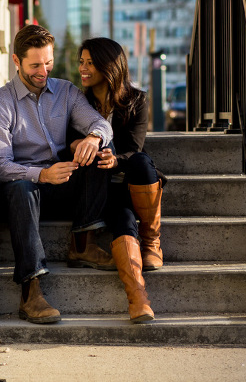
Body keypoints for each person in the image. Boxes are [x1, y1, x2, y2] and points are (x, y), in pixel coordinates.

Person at [0, 24, 115, 324]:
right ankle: (31, 290)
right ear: (16, 61)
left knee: (100, 154)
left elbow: (101, 124)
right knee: (20, 187)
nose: (43, 71)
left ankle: (83, 244)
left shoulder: (66, 92)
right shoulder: (2, 104)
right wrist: (41, 176)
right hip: (19, 192)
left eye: (48, 62)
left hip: (59, 186)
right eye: (34, 65)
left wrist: (93, 139)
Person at [69, 36, 165, 322]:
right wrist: (79, 146)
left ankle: (151, 241)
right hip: (101, 189)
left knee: (141, 161)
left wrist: (114, 160)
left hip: (133, 180)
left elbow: (134, 147)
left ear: (108, 66)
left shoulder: (136, 100)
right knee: (123, 222)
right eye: (81, 62)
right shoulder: (78, 101)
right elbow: (68, 141)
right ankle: (138, 300)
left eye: (90, 63)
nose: (83, 69)